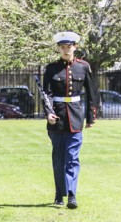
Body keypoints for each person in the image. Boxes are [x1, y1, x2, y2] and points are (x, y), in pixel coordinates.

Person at [42, 31, 98, 209]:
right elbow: (47, 94)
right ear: (58, 48)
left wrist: (91, 117)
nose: (66, 50)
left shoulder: (83, 67)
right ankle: (60, 193)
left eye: (69, 46)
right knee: (58, 159)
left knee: (72, 157)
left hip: (75, 117)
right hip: (57, 119)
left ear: (75, 47)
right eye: (62, 47)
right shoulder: (51, 69)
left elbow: (92, 93)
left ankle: (72, 195)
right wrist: (48, 113)